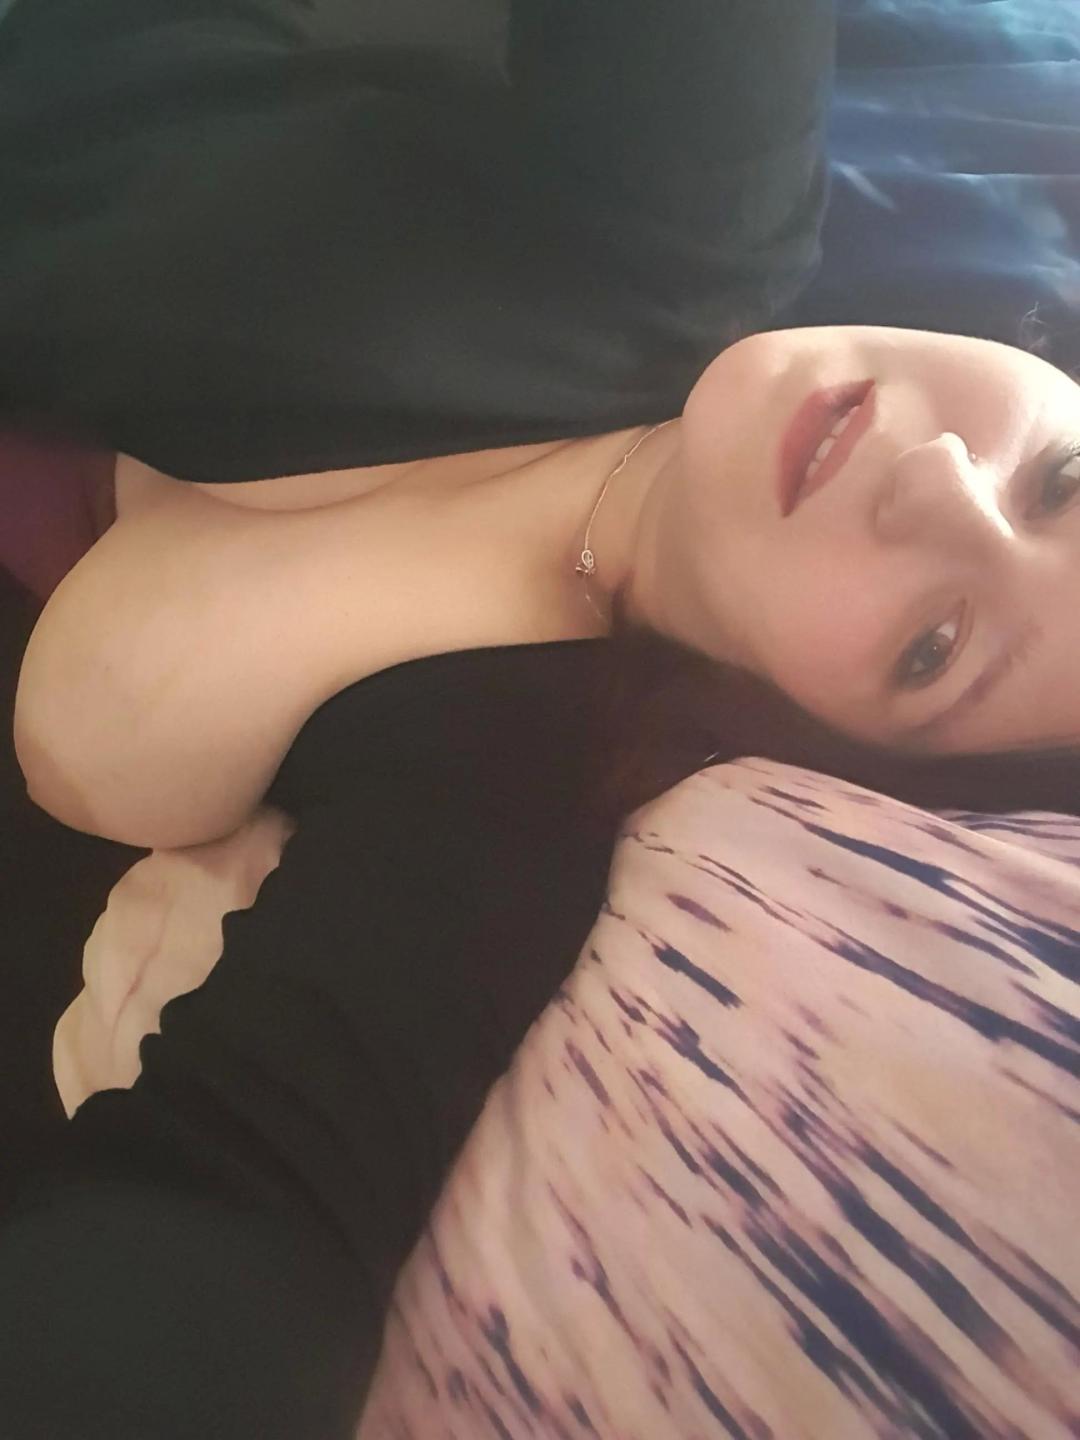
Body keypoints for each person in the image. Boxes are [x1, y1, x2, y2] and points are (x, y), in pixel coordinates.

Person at [2, 1, 1079, 1435]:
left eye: (935, 647)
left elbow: (249, 1206)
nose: (940, 480)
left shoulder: (516, 778)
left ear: (840, 757)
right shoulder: (692, 216)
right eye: (1060, 480)